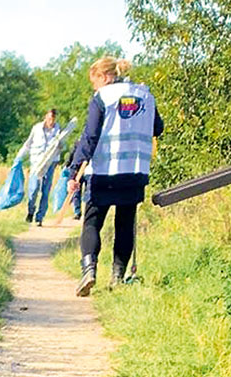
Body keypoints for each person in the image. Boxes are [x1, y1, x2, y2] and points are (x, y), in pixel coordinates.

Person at [67, 56, 163, 295]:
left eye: (94, 81)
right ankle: (118, 277)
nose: (94, 87)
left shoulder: (102, 98)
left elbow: (90, 137)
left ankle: (89, 270)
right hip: (134, 170)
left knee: (92, 223)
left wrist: (74, 171)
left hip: (104, 171)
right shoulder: (145, 95)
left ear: (104, 77)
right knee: (124, 224)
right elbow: (158, 127)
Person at [14, 109, 62, 226]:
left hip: (50, 163)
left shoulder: (58, 129)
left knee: (46, 190)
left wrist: (60, 148)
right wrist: (19, 157)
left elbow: (61, 146)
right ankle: (30, 211)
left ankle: (40, 217)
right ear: (45, 117)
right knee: (34, 188)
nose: (51, 121)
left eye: (53, 119)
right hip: (36, 162)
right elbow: (28, 143)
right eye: (49, 118)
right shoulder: (37, 128)